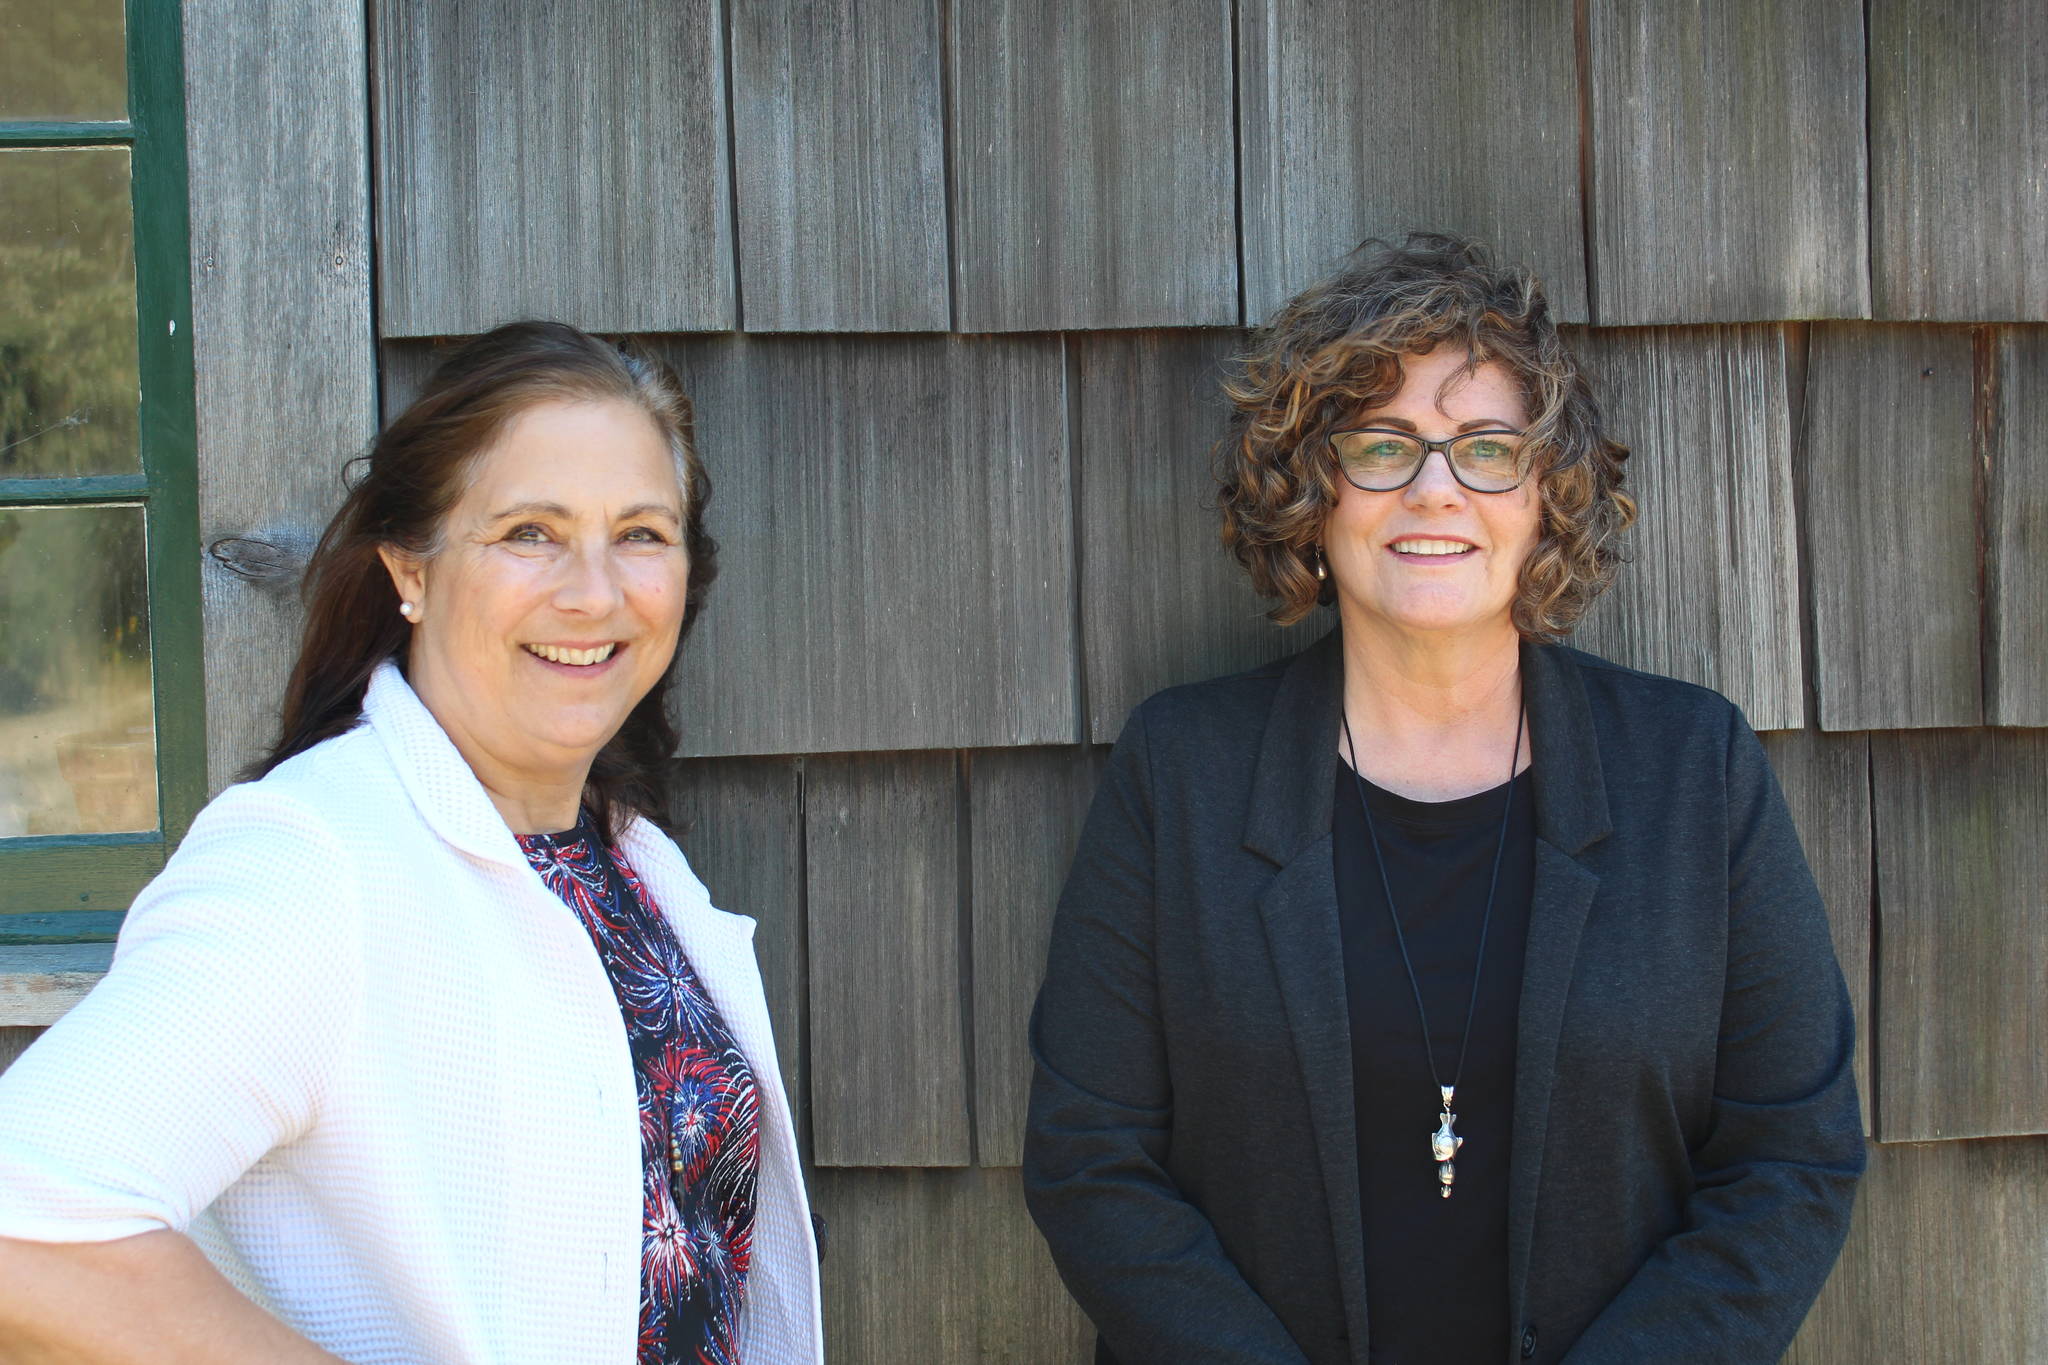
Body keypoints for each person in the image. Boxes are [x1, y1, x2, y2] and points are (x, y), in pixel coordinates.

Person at [1022, 234, 1863, 1364]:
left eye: (1484, 449)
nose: (1432, 490)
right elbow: (1090, 1160)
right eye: (1380, 446)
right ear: (1311, 494)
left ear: (1545, 495)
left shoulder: (1691, 771)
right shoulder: (1181, 774)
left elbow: (1789, 1158)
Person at [0, 322, 822, 1364]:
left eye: (641, 534)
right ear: (412, 571)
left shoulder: (623, 862)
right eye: (530, 531)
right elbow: (21, 1228)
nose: (594, 590)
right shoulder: (316, 861)